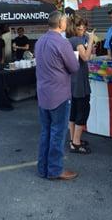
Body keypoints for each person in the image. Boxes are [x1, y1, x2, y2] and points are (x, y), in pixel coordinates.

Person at [35, 11, 79, 180]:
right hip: (59, 94)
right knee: (57, 133)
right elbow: (74, 67)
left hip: (43, 92)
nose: (66, 24)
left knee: (46, 131)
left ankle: (43, 168)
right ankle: (54, 170)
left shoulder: (40, 41)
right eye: (65, 22)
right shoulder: (62, 42)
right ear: (60, 24)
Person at [67, 16, 95, 154]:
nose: (82, 30)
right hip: (79, 81)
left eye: (84, 27)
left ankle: (73, 140)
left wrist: (88, 44)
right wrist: (90, 40)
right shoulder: (77, 40)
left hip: (72, 80)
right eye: (79, 27)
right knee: (82, 109)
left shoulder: (69, 40)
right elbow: (85, 57)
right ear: (74, 27)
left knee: (74, 110)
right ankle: (76, 143)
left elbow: (84, 56)